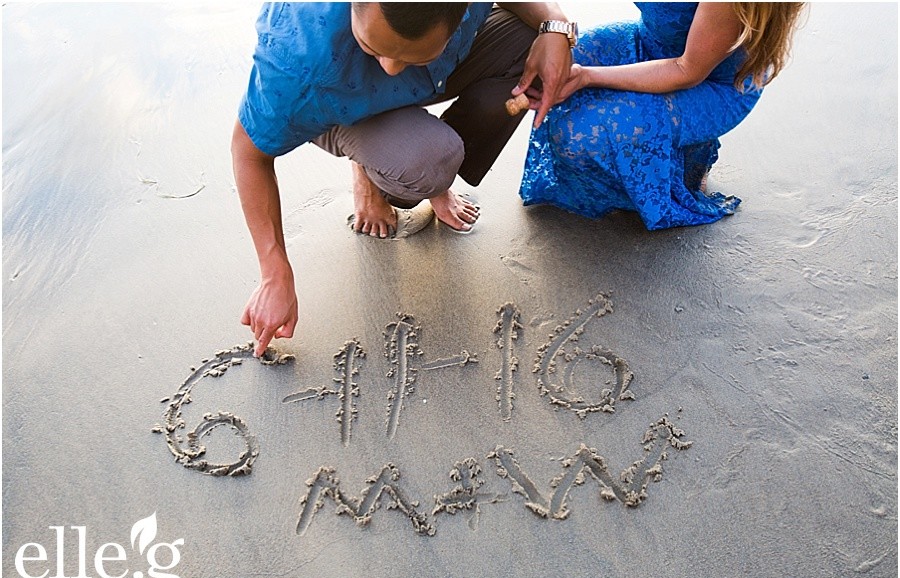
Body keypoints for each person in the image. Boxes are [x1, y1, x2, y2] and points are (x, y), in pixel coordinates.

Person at [233, 2, 576, 357]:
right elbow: (248, 152)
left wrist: (555, 26)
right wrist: (275, 275)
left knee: (533, 41)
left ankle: (427, 146)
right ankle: (375, 161)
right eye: (371, 46)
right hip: (334, 92)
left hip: (436, 73)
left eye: (415, 56)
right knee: (426, 165)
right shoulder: (297, 56)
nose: (390, 69)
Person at [517, 2, 805, 230]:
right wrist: (556, 26)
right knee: (556, 65)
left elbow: (687, 70)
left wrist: (587, 76)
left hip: (710, 80)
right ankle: (660, 150)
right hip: (651, 43)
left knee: (575, 136)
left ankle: (684, 164)